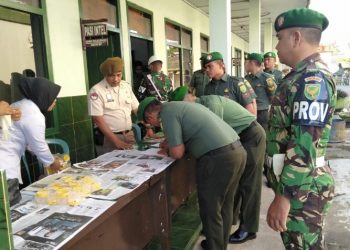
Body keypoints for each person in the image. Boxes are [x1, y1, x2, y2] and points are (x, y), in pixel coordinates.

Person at [266, 8, 336, 249]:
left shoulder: (311, 79)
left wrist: (284, 198)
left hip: (302, 190)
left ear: (295, 37)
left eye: (279, 38)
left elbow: (304, 146)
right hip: (300, 187)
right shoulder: (300, 75)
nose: (276, 47)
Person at [137, 97, 246, 250]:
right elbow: (190, 132)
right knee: (225, 205)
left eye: (151, 124)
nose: (155, 127)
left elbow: (177, 153)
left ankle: (214, 246)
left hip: (217, 159)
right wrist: (171, 142)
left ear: (149, 117)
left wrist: (166, 150)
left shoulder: (166, 114)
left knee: (210, 210)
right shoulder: (177, 106)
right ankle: (219, 245)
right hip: (237, 151)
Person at [169, 86, 266, 244]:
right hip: (238, 138)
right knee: (230, 190)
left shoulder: (211, 104)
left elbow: (217, 135)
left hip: (250, 136)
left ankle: (248, 228)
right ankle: (222, 229)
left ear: (190, 97)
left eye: (182, 104)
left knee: (248, 185)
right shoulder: (199, 108)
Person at [0, 75, 61, 206]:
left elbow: (31, 143)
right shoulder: (35, 115)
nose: (55, 100)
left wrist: (48, 159)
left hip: (4, 162)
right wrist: (52, 162)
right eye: (53, 96)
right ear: (43, 95)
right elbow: (39, 145)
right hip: (5, 166)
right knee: (6, 208)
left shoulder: (21, 105)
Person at [88, 57, 139, 155]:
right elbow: (98, 119)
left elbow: (136, 107)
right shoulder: (96, 91)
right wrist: (116, 141)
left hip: (129, 135)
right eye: (111, 76)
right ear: (105, 75)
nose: (116, 79)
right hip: (109, 139)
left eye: (118, 75)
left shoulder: (126, 86)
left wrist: (147, 125)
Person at [245, 53, 277, 132]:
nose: (245, 65)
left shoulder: (267, 78)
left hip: (262, 114)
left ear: (252, 63)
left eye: (246, 62)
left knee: (263, 136)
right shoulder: (247, 78)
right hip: (249, 112)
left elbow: (274, 97)